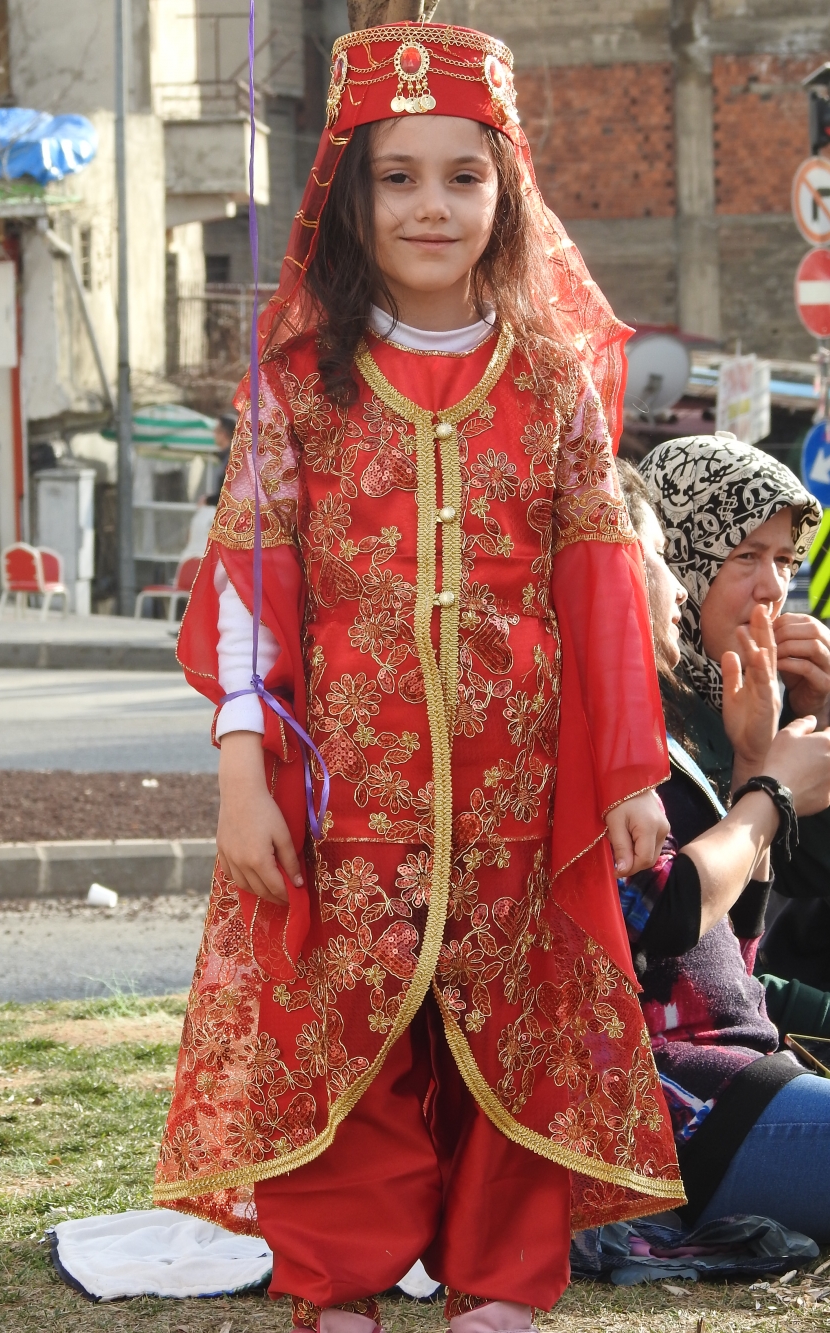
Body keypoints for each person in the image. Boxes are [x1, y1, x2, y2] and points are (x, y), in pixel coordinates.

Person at [155, 23, 684, 1333]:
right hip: (349, 788)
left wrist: (627, 770)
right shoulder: (295, 380)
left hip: (521, 784)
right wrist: (240, 768)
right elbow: (249, 582)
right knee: (356, 1028)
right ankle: (341, 1280)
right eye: (400, 176)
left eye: (464, 175)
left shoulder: (554, 376)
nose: (432, 205)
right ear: (350, 192)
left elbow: (599, 578)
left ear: (508, 193)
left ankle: (499, 1282)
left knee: (510, 1018)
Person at [616, 447, 830, 1239]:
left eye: (784, 561)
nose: (776, 589)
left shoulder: (726, 708)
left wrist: (753, 761)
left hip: (738, 1059)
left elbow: (731, 953)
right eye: (747, 556)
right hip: (684, 1096)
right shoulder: (617, 726)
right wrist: (770, 790)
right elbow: (664, 914)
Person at [202, 411, 237, 507]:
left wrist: (208, 500)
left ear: (223, 433)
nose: (214, 433)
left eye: (216, 430)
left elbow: (229, 495)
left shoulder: (232, 458)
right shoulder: (228, 456)